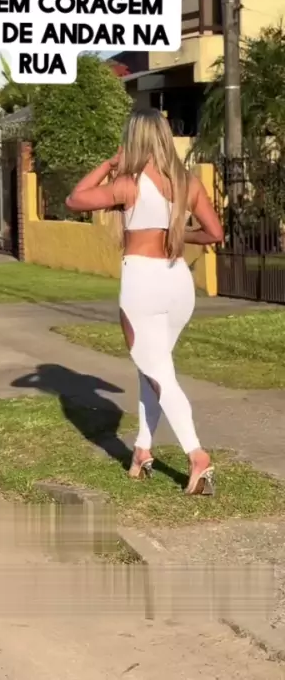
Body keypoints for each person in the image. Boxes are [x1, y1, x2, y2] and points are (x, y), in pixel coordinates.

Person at [65, 108, 224, 496]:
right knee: (151, 368)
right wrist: (175, 234)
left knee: (158, 373)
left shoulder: (127, 184)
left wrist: (109, 163)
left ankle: (196, 454)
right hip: (178, 283)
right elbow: (214, 233)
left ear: (133, 139)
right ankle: (141, 450)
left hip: (142, 282)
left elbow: (74, 199)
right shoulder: (187, 182)